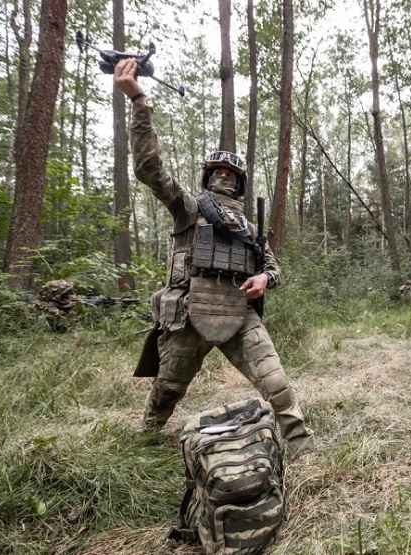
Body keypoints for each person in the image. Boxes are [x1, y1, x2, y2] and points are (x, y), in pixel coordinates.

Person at [113, 58, 315, 457]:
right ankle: (147, 439)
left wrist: (264, 280)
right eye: (217, 172)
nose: (223, 176)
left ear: (239, 183)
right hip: (190, 313)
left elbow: (273, 268)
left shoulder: (251, 229)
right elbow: (149, 169)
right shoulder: (188, 207)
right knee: (168, 387)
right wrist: (139, 102)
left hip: (239, 312)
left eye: (231, 173)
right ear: (208, 178)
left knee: (275, 382)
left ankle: (304, 450)